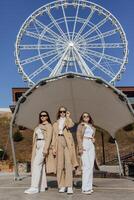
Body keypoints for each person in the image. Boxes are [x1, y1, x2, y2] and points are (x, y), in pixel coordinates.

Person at [24, 111, 53, 194]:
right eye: (41, 116)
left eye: (44, 115)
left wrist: (46, 148)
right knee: (40, 166)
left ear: (47, 117)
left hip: (43, 144)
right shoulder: (38, 126)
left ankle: (34, 187)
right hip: (37, 145)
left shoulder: (49, 126)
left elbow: (49, 137)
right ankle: (41, 186)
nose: (42, 117)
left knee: (36, 165)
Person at [52, 106, 78, 194]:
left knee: (68, 164)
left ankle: (69, 186)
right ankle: (62, 185)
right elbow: (53, 136)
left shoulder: (67, 120)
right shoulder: (55, 123)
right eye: (61, 111)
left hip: (67, 141)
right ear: (58, 113)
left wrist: (68, 117)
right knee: (59, 165)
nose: (62, 113)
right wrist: (53, 147)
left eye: (64, 111)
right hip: (58, 141)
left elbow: (71, 125)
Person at [76, 112, 96, 195]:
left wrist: (93, 139)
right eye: (84, 116)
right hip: (84, 143)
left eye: (87, 116)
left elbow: (92, 136)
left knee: (91, 167)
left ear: (89, 118)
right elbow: (78, 136)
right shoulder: (80, 126)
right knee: (86, 166)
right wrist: (80, 147)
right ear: (82, 118)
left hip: (91, 145)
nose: (86, 117)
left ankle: (89, 186)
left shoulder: (92, 127)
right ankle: (84, 188)